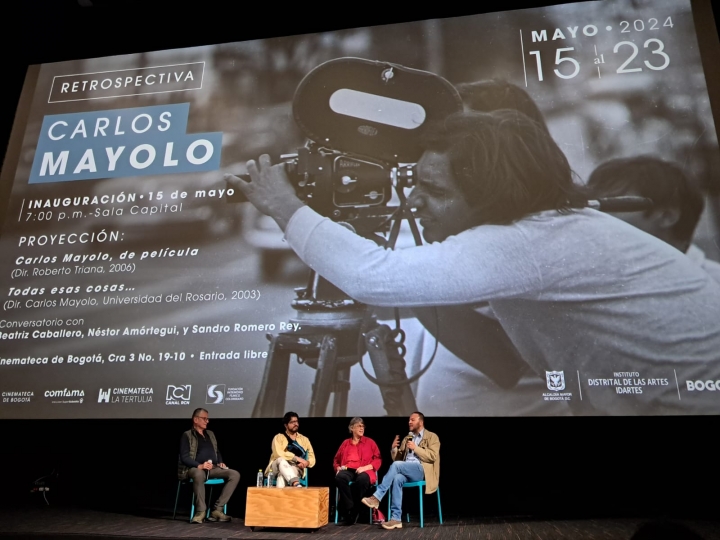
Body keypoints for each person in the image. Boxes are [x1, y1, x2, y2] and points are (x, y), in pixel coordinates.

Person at [228, 109, 720, 415]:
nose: (415, 202)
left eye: (436, 191)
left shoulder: (525, 242)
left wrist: (284, 206)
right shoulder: (555, 227)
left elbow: (369, 276)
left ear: (491, 196)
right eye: (414, 183)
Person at [587, 156, 720, 283]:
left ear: (667, 216)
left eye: (612, 206)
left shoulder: (714, 282)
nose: (596, 216)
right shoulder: (603, 279)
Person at [358, 412, 439, 530]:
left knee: (396, 466)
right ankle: (396, 519)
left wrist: (415, 448)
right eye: (409, 420)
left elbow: (432, 456)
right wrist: (394, 449)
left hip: (422, 470)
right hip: (406, 470)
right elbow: (399, 460)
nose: (409, 422)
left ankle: (377, 497)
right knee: (397, 478)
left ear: (421, 422)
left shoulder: (432, 437)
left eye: (412, 420)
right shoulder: (408, 438)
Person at [178, 408, 240, 524]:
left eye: (207, 419)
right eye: (204, 419)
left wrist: (220, 462)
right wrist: (199, 465)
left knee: (234, 474)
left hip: (212, 468)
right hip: (193, 469)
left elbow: (217, 451)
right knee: (198, 473)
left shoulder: (210, 434)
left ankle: (217, 509)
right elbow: (184, 457)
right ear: (196, 419)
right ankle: (200, 511)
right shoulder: (187, 435)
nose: (207, 421)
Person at [333, 417, 382, 526]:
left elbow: (378, 459)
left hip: (364, 470)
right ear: (351, 428)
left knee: (363, 479)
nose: (361, 428)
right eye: (359, 426)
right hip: (348, 469)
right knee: (340, 477)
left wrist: (365, 468)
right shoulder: (345, 443)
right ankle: (350, 508)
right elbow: (336, 460)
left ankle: (354, 512)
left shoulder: (370, 442)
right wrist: (337, 468)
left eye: (362, 426)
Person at [266, 411, 315, 487]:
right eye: (292, 422)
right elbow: (278, 453)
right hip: (276, 468)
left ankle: (281, 498)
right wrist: (297, 459)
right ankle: (296, 483)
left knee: (281, 476)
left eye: (296, 421)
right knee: (281, 460)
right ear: (286, 425)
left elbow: (312, 457)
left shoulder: (305, 440)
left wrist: (306, 463)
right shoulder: (279, 437)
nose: (296, 424)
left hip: (295, 467)